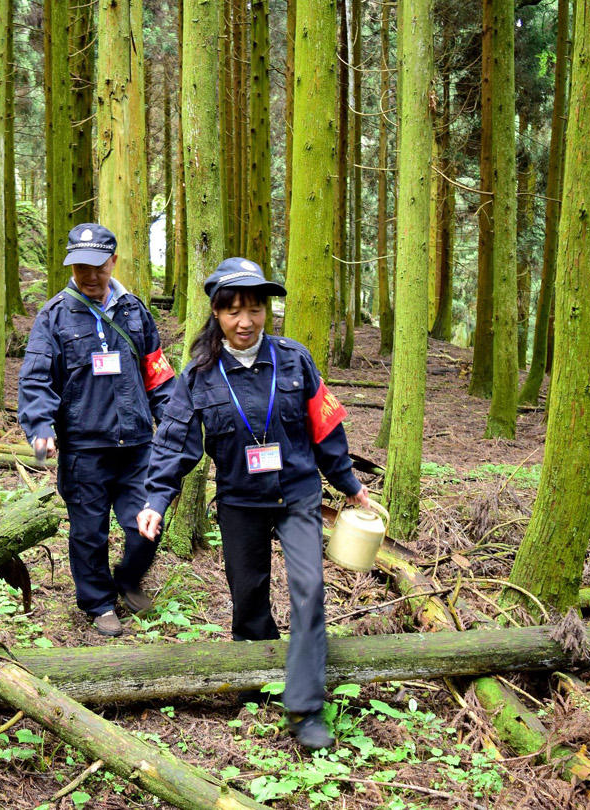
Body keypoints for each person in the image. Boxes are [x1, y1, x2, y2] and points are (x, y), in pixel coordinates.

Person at [136, 257, 369, 751]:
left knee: (309, 588)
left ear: (267, 310)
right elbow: (176, 441)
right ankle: (257, 677)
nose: (246, 322)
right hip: (240, 500)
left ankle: (306, 708)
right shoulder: (199, 375)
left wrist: (348, 482)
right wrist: (156, 498)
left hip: (297, 493)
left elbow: (325, 426)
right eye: (234, 311)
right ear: (217, 314)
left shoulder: (294, 359)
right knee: (249, 599)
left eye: (255, 309)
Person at [19, 223, 177, 638]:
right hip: (83, 449)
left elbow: (157, 374)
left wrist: (174, 422)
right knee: (89, 532)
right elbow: (36, 379)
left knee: (145, 524)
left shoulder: (135, 311)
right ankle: (99, 602)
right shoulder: (53, 316)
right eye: (80, 268)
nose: (89, 276)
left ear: (113, 261)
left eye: (97, 267)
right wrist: (40, 425)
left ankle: (128, 578)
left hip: (137, 446)